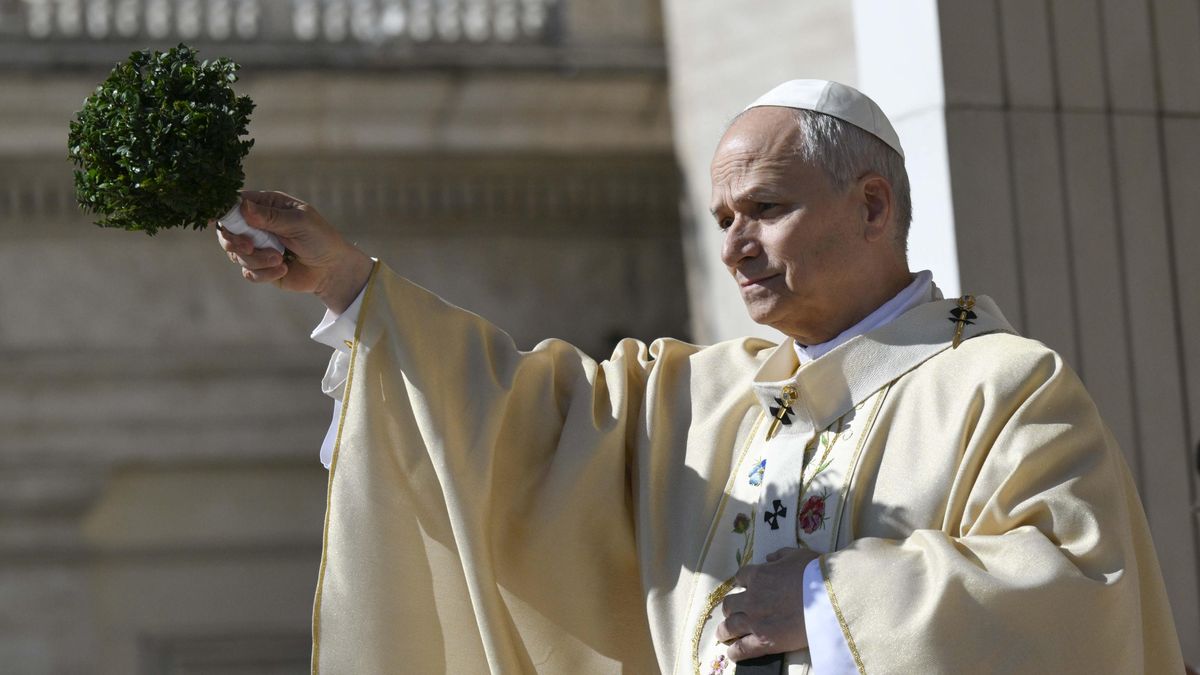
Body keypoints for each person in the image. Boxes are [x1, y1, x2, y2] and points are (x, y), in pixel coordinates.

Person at [218, 80, 1185, 674]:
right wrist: (349, 284)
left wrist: (823, 605)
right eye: (721, 219)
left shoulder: (1001, 385)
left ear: (873, 206)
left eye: (764, 207)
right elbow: (512, 427)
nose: (736, 246)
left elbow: (1075, 597)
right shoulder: (699, 397)